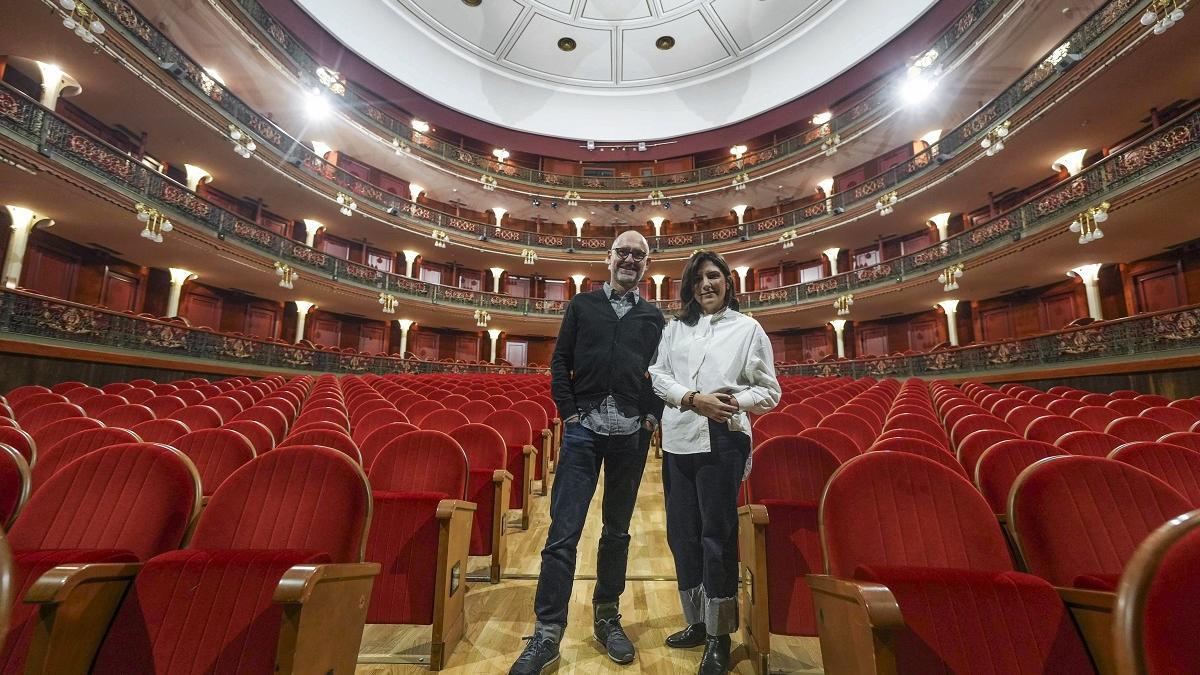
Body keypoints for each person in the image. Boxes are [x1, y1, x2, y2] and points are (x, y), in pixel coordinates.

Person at [509, 230, 665, 675]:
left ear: (647, 265)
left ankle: (606, 616)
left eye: (639, 255)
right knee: (564, 531)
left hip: (631, 434)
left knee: (617, 531)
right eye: (624, 253)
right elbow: (560, 362)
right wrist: (571, 414)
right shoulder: (582, 305)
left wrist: (650, 419)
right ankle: (547, 632)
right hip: (584, 432)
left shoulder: (654, 316)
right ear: (609, 258)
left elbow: (662, 372)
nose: (630, 260)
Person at [648, 250, 781, 674]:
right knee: (682, 533)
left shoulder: (748, 329)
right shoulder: (675, 329)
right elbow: (658, 373)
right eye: (698, 278)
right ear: (689, 287)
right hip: (679, 439)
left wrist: (728, 402)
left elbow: (769, 392)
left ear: (727, 281)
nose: (706, 284)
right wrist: (691, 399)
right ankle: (698, 623)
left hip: (724, 440)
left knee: (717, 536)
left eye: (714, 276)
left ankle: (720, 636)